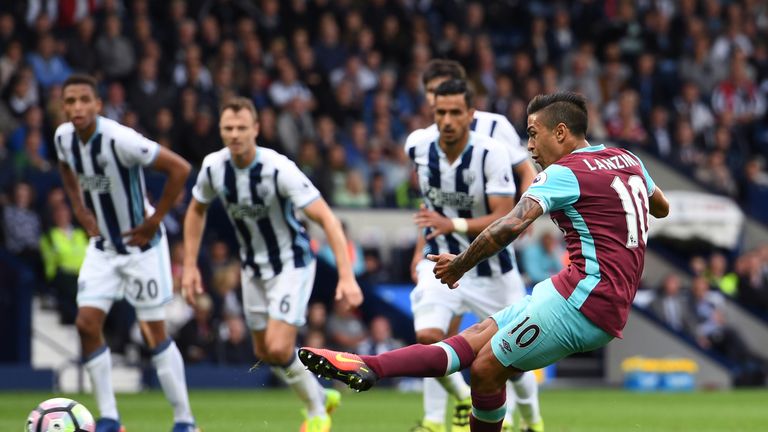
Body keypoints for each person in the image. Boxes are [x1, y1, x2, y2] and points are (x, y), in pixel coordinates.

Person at [299, 92, 670, 432]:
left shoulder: (563, 174)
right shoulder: (628, 159)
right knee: (472, 341)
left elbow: (509, 225)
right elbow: (661, 207)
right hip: (575, 287)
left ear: (560, 132)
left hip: (586, 302)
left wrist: (460, 264)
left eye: (532, 133)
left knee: (486, 369)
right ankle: (369, 366)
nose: (529, 146)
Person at [181, 97, 364, 432]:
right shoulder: (214, 167)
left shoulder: (278, 169)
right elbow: (195, 209)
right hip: (252, 269)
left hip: (290, 264)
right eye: (228, 128)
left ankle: (316, 411)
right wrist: (190, 265)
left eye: (241, 128)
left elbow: (327, 218)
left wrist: (346, 275)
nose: (234, 134)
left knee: (280, 347)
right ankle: (321, 395)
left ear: (256, 129)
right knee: (264, 350)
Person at [54, 74, 199, 432]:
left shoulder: (120, 139)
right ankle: (109, 419)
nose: (77, 108)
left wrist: (156, 220)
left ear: (98, 105)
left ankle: (185, 421)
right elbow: (65, 169)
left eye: (84, 100)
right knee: (86, 324)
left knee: (153, 333)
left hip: (142, 246)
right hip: (103, 247)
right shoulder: (63, 139)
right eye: (70, 101)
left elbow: (180, 169)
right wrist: (79, 208)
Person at [407, 60, 540, 432]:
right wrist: (422, 246)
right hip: (443, 258)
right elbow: (431, 203)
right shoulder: (420, 144)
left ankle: (530, 419)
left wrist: (523, 216)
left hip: (492, 263)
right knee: (433, 338)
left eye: (445, 95)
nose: (439, 103)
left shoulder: (494, 133)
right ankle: (436, 419)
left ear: (468, 105)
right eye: (433, 96)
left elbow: (523, 173)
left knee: (513, 355)